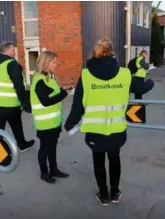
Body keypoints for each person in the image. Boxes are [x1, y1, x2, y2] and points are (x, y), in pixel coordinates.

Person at [64, 39, 154, 206]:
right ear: (112, 52)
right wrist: (151, 82)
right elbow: (142, 88)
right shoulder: (124, 74)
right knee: (115, 160)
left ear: (95, 52)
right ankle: (115, 193)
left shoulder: (86, 74)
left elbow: (77, 105)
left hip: (95, 131)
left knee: (98, 162)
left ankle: (103, 195)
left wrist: (69, 125)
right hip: (116, 129)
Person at [30, 50, 72, 184]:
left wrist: (62, 90)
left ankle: (54, 169)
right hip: (45, 124)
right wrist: (64, 94)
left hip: (53, 121)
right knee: (44, 148)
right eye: (54, 62)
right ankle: (44, 173)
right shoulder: (40, 80)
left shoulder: (49, 77)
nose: (56, 64)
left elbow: (52, 94)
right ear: (46, 63)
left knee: (52, 147)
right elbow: (46, 101)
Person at [0, 41, 35, 152]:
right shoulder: (11, 64)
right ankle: (22, 145)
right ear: (6, 51)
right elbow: (19, 86)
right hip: (10, 103)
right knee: (16, 124)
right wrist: (24, 103)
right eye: (13, 50)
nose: (15, 52)